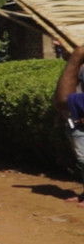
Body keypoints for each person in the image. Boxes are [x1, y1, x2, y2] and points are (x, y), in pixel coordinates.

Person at [52, 44, 84, 204]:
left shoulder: (78, 66)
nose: (56, 45)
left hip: (79, 123)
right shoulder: (78, 68)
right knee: (81, 160)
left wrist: (76, 55)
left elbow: (63, 100)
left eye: (60, 44)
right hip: (75, 123)